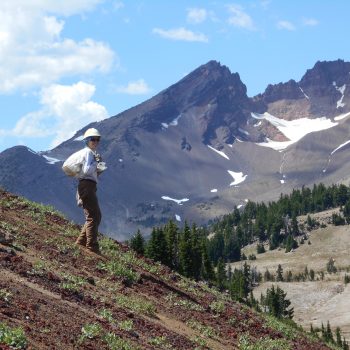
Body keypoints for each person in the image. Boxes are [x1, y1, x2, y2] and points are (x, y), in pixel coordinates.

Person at [62, 128, 107, 254]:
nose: (95, 141)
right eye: (93, 139)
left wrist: (98, 167)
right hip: (87, 185)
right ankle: (91, 246)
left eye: (97, 139)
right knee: (94, 215)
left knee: (94, 215)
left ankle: (81, 242)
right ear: (87, 140)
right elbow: (87, 170)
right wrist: (97, 165)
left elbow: (91, 172)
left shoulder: (91, 153)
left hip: (87, 185)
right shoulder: (89, 153)